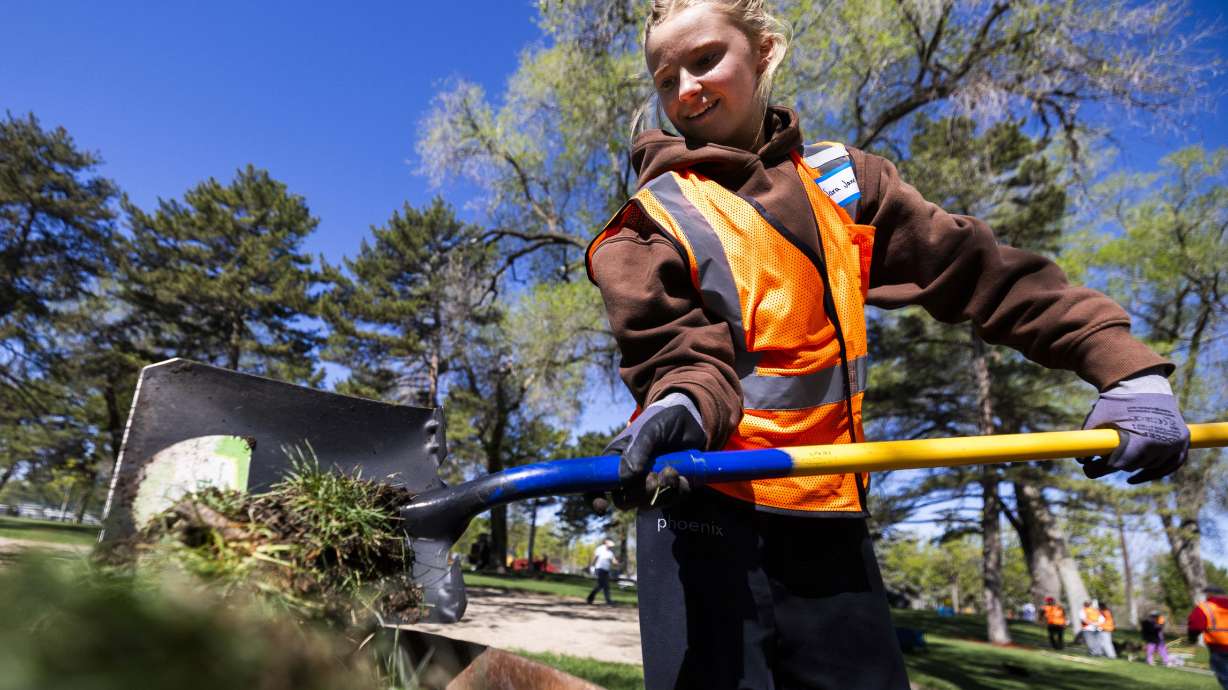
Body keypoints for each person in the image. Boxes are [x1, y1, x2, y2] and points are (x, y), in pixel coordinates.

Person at [583, 1, 1191, 687]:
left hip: (829, 514)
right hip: (702, 510)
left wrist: (1123, 366)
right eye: (666, 79)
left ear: (765, 51)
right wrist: (685, 404)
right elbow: (679, 354)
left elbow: (981, 274)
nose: (686, 88)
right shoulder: (650, 218)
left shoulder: (843, 185)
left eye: (705, 60)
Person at [1188, 585, 1228, 688]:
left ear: (1208, 594)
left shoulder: (1205, 607)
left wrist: (1192, 639)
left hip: (1220, 649)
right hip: (1220, 649)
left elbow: (1195, 626)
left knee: (1225, 678)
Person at [586, 538, 619, 605]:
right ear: (606, 542)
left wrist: (617, 563)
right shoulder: (600, 549)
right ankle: (591, 598)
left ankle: (607, 601)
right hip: (599, 569)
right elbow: (595, 557)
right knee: (601, 585)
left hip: (606, 570)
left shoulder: (610, 553)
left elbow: (614, 561)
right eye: (610, 543)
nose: (611, 545)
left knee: (605, 586)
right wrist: (591, 566)